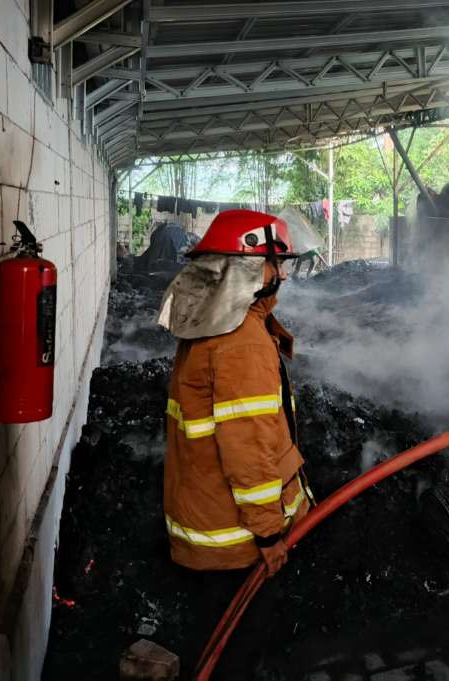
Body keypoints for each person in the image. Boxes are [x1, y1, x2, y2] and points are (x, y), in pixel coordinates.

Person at [158, 209, 312, 576]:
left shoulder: (213, 325)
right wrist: (268, 535)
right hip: (235, 544)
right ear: (248, 268)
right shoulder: (241, 343)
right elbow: (248, 447)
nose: (284, 275)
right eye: (276, 264)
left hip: (204, 513)